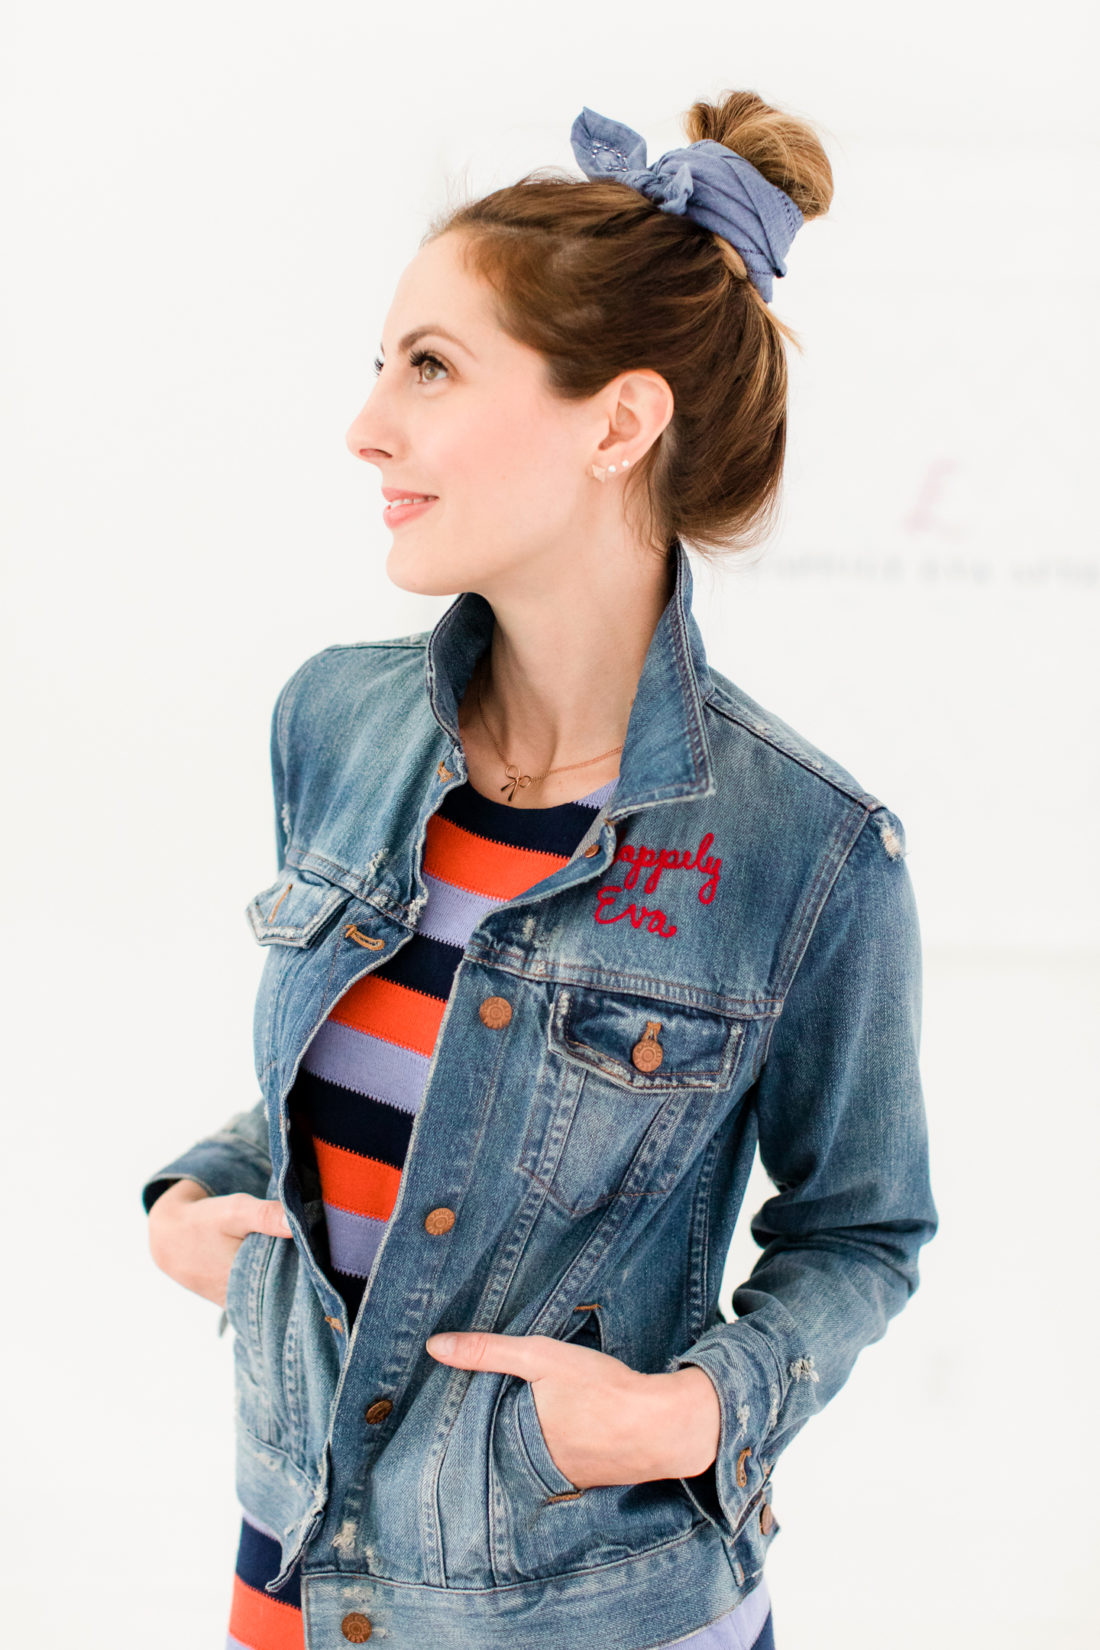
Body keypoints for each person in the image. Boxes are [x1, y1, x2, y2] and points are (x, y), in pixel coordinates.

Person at [143, 92, 938, 1650]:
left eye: (430, 368)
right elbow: (377, 1076)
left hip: (588, 1604)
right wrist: (200, 1193)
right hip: (296, 1563)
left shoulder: (807, 849)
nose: (368, 425)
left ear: (618, 422)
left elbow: (863, 1231)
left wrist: (696, 1411)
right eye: (381, 367)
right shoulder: (335, 720)